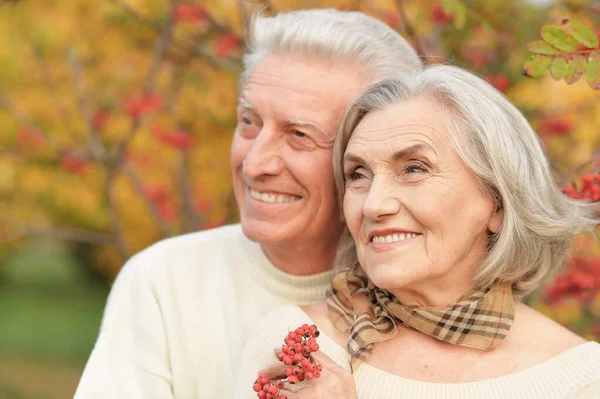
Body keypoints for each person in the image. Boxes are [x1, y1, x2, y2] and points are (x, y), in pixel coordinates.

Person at [74, 8, 422, 399]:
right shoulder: (164, 283)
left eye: (299, 135)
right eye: (249, 122)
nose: (254, 163)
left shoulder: (433, 299)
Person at [234, 65, 600, 398]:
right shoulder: (297, 344)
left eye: (413, 169)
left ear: (498, 203)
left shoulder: (580, 379)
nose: (374, 205)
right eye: (358, 175)